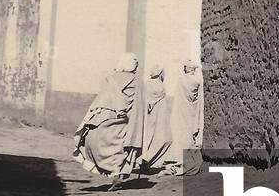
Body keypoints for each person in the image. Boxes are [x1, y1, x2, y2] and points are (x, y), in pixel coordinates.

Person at [73, 53, 145, 188]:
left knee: (100, 142)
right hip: (126, 120)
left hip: (110, 117)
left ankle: (116, 176)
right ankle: (117, 175)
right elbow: (139, 104)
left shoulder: (113, 77)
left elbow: (103, 99)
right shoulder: (137, 80)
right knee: (120, 147)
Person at [161, 61, 203, 177]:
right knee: (190, 136)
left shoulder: (182, 80)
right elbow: (198, 99)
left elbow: (179, 97)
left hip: (181, 112)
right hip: (192, 112)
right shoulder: (197, 81)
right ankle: (191, 162)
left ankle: (182, 161)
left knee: (182, 136)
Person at [140, 65, 172, 173]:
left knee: (149, 139)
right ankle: (147, 162)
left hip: (148, 117)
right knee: (165, 139)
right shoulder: (160, 85)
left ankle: (145, 161)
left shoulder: (147, 84)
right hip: (157, 118)